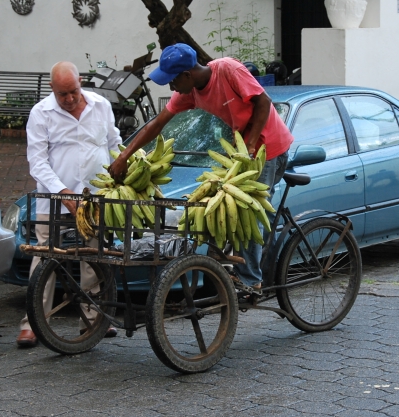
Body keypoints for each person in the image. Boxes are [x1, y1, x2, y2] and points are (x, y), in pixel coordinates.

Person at [108, 44, 294, 294]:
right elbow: (156, 125)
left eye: (172, 81)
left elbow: (263, 102)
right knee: (219, 204)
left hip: (268, 148)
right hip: (242, 152)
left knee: (246, 211)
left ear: (187, 74)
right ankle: (243, 265)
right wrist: (124, 155)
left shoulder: (229, 70)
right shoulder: (189, 92)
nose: (171, 88)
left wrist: (250, 145)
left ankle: (251, 281)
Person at [16, 61, 122, 347]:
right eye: (63, 94)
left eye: (73, 91)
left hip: (94, 197)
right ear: (53, 90)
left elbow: (114, 144)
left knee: (93, 259)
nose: (70, 99)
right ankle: (33, 323)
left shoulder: (101, 105)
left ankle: (94, 320)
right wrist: (63, 192)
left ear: (81, 82)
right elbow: (37, 162)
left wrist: (122, 174)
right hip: (53, 200)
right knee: (45, 259)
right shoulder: (41, 113)